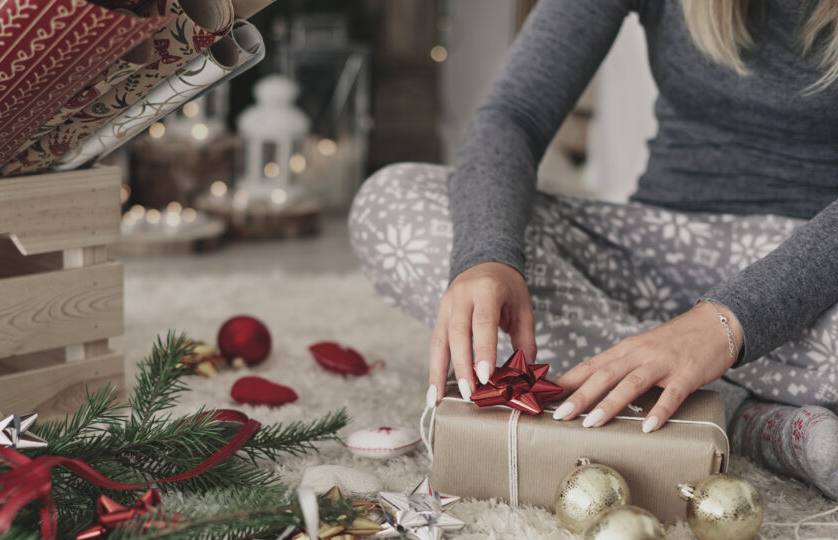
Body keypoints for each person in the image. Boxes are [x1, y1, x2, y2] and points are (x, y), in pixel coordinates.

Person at [349, 0, 838, 497]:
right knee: (392, 202)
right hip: (654, 253)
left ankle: (693, 393)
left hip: (815, 279)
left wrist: (730, 323)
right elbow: (515, 115)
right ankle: (738, 415)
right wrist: (486, 258)